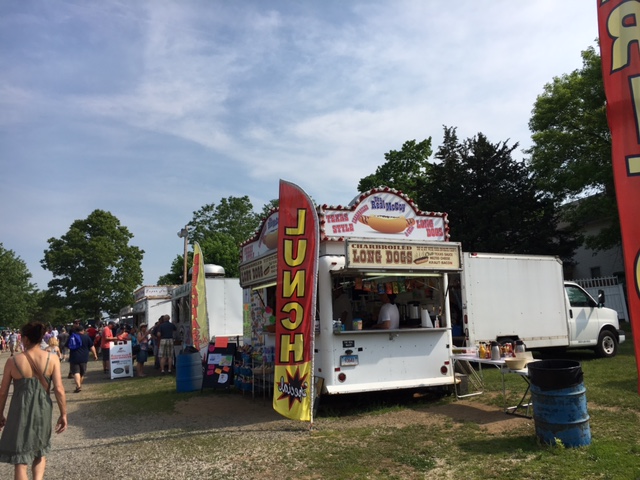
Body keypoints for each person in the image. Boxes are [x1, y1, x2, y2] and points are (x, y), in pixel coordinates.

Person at [0, 321, 67, 480]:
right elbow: (59, 389)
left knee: (20, 458)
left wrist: (0, 413)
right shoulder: (52, 359)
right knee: (40, 452)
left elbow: (3, 392)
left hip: (19, 410)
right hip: (42, 409)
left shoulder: (13, 361)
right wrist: (63, 413)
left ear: (26, 339)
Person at [68, 325, 98, 393]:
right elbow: (92, 347)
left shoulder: (72, 337)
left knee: (76, 372)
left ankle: (78, 386)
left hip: (74, 357)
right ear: (83, 330)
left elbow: (68, 346)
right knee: (82, 373)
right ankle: (79, 385)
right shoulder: (86, 337)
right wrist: (95, 355)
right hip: (84, 357)